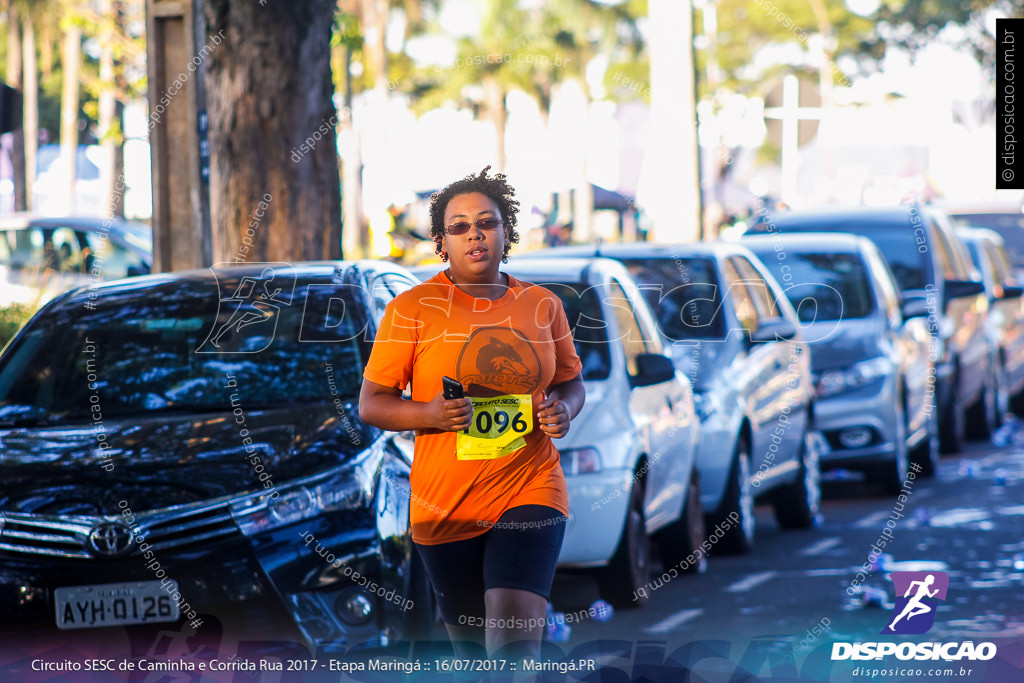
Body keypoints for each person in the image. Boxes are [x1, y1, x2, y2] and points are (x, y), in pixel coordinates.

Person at [359, 167, 585, 659]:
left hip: (530, 485)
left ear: (507, 231)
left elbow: (570, 380)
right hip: (446, 504)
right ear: (441, 242)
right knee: (472, 655)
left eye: (488, 222)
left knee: (511, 645)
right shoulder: (411, 310)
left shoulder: (542, 305)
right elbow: (373, 403)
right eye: (459, 227)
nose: (475, 234)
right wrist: (430, 415)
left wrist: (563, 409)